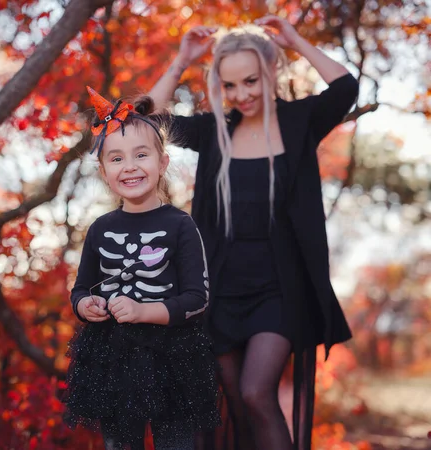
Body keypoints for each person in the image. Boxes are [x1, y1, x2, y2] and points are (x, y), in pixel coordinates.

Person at [148, 15, 359, 450]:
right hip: (219, 289)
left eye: (250, 81)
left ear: (270, 73)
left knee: (255, 393)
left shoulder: (300, 121)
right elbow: (147, 122)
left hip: (280, 290)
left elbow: (346, 88)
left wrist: (297, 40)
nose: (241, 94)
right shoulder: (214, 132)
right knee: (236, 407)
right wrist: (182, 59)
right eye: (229, 86)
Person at [61, 86, 220, 450]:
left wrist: (144, 310)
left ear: (162, 163)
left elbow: (198, 298)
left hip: (173, 354)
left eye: (141, 155)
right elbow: (82, 288)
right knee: (119, 443)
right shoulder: (100, 228)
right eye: (116, 159)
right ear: (103, 171)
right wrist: (85, 306)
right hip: (114, 354)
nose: (130, 166)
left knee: (175, 442)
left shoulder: (181, 225)